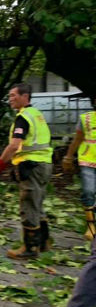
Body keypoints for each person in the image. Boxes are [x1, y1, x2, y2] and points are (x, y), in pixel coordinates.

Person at [0, 83, 53, 259]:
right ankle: (44, 242)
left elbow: (14, 145)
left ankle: (30, 248)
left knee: (29, 205)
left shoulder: (23, 117)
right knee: (37, 203)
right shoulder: (37, 115)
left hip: (31, 166)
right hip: (45, 164)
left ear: (25, 96)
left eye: (14, 95)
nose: (10, 99)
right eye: (9, 96)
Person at [63, 96, 96, 241]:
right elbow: (78, 139)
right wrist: (68, 156)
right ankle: (91, 227)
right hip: (87, 160)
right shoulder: (86, 118)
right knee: (89, 192)